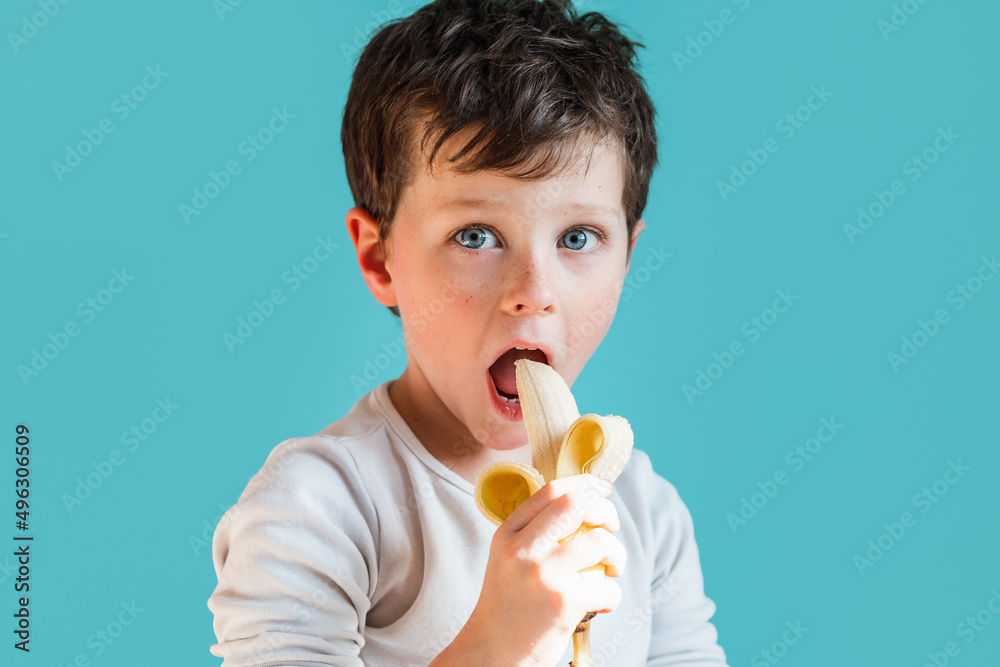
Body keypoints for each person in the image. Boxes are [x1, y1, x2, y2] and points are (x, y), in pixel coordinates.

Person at [207, 0, 729, 664]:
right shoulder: (320, 508)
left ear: (627, 257)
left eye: (577, 237)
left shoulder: (649, 515)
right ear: (380, 259)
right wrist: (496, 641)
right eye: (476, 236)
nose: (533, 291)